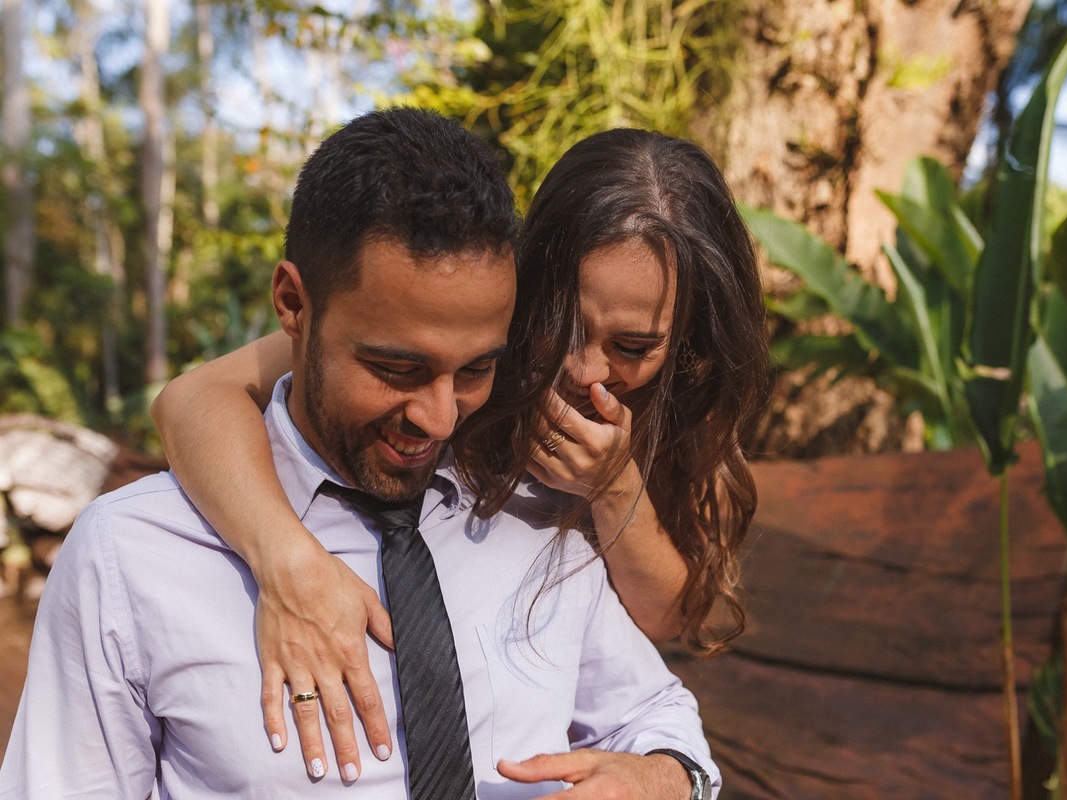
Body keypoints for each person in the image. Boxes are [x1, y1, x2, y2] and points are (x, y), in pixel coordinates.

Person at [0, 107, 717, 800]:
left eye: (476, 368)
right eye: (396, 368)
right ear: (293, 305)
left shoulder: (537, 520)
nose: (440, 417)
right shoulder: (134, 556)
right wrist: (284, 558)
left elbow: (659, 711)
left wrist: (660, 781)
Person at [149, 127, 772, 781]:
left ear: (688, 338)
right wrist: (287, 559)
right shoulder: (454, 328)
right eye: (561, 322)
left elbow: (672, 617)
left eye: (633, 347)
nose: (584, 368)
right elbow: (192, 398)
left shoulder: (687, 403)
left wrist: (615, 489)